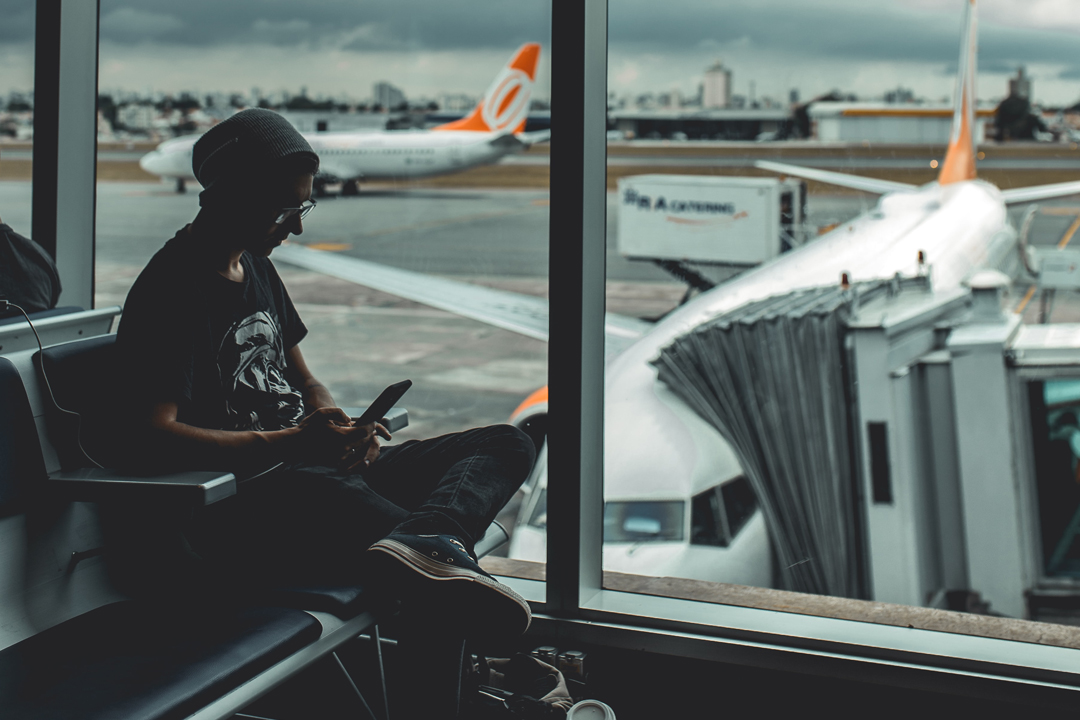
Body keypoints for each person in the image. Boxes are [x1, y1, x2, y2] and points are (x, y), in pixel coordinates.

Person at [114, 109, 535, 716]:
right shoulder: (172, 289)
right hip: (247, 498)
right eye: (285, 212)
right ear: (230, 196)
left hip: (310, 466)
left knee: (504, 443)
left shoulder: (255, 265)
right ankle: (435, 596)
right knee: (430, 578)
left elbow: (304, 378)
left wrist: (340, 426)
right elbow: (151, 433)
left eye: (301, 211)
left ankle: (429, 541)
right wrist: (289, 444)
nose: (296, 229)